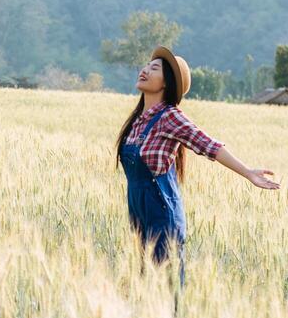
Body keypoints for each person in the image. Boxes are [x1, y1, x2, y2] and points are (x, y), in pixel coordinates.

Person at [116, 46, 279, 290]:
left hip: (162, 216)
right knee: (144, 288)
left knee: (165, 290)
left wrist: (248, 173)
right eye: (146, 66)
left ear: (166, 83)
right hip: (138, 214)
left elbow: (207, 144)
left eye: (154, 68)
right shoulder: (138, 121)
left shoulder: (170, 116)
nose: (145, 70)